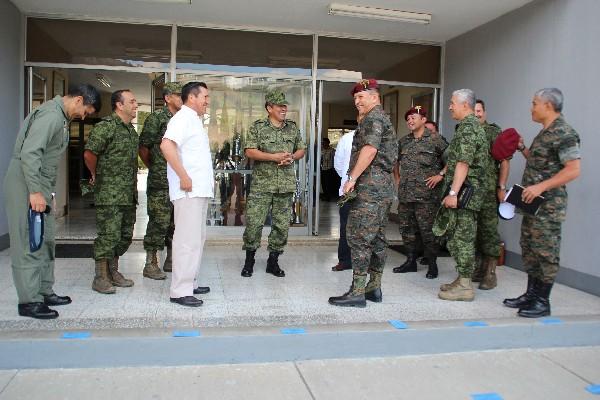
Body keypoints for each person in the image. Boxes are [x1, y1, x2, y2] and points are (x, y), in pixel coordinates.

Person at [4, 84, 101, 319]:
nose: (83, 116)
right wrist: (35, 192)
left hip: (39, 185)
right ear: (78, 100)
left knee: (45, 239)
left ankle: (44, 291)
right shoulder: (50, 116)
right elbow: (30, 153)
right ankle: (29, 301)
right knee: (30, 240)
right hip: (27, 184)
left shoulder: (59, 117)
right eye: (86, 111)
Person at [503, 88, 580, 318]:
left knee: (545, 252)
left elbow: (573, 170)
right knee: (530, 249)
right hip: (531, 203)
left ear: (548, 105)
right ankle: (530, 294)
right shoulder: (544, 132)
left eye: (535, 103)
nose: (531, 107)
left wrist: (541, 187)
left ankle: (543, 301)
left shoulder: (564, 133)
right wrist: (523, 149)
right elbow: (541, 165)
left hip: (548, 207)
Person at [329, 79, 398, 307]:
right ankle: (374, 287)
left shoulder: (373, 118)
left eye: (361, 96)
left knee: (359, 237)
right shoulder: (381, 118)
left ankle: (357, 292)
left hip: (370, 188)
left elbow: (369, 150)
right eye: (355, 98)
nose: (357, 101)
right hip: (382, 187)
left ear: (375, 97)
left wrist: (352, 178)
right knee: (377, 237)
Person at [240, 89, 306, 278]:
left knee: (281, 225)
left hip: (285, 186)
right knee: (254, 224)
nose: (284, 109)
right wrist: (272, 157)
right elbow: (250, 151)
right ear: (269, 108)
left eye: (285, 106)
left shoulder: (292, 128)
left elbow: (301, 149)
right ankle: (249, 261)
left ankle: (273, 261)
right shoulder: (258, 127)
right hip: (262, 186)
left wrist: (292, 157)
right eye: (279, 106)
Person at [160, 82, 214, 307]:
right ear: (192, 97)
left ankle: (190, 282)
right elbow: (166, 146)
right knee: (186, 241)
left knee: (196, 239)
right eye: (205, 97)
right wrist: (183, 176)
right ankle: (180, 291)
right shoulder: (182, 118)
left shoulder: (193, 120)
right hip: (188, 191)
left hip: (198, 191)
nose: (207, 101)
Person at [84, 89, 139, 294]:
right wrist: (95, 174)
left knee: (124, 236)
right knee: (108, 235)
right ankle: (101, 277)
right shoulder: (106, 127)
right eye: (132, 101)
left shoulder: (130, 130)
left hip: (128, 194)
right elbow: (90, 154)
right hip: (109, 193)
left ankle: (113, 272)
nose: (136, 105)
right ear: (119, 105)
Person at [437, 89, 489, 302]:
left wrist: (453, 192)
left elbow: (463, 162)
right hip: (466, 192)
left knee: (463, 238)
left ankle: (465, 286)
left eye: (452, 103)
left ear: (465, 105)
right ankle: (462, 279)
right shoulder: (469, 127)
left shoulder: (468, 128)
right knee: (458, 237)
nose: (450, 107)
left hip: (465, 194)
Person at [392, 107, 447, 279]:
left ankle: (432, 264)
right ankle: (410, 262)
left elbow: (453, 159)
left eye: (413, 117)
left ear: (423, 119)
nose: (410, 121)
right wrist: (398, 178)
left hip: (427, 196)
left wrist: (440, 175)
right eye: (408, 118)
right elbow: (395, 161)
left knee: (428, 231)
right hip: (406, 194)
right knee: (407, 230)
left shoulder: (435, 139)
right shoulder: (403, 142)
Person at [139, 82, 183, 280]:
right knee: (158, 221)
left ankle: (172, 259)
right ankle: (151, 263)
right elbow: (144, 148)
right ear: (167, 98)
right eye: (178, 95)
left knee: (177, 223)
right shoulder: (156, 118)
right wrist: (155, 167)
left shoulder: (185, 119)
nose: (182, 98)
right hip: (160, 181)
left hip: (179, 181)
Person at [471, 99, 508, 290]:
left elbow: (504, 162)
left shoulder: (494, 132)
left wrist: (501, 187)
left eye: (479, 111)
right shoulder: (466, 130)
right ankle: (479, 268)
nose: (476, 114)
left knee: (489, 231)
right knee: (474, 232)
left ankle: (490, 273)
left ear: (484, 112)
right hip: (470, 191)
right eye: (474, 110)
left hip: (488, 190)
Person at [331, 129, 355, 272]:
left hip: (371, 192)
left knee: (368, 229)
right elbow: (338, 164)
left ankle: (367, 262)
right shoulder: (347, 138)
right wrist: (347, 180)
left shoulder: (380, 136)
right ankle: (345, 260)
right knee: (345, 227)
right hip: (348, 191)